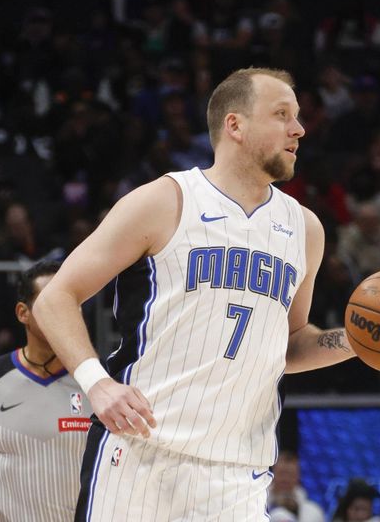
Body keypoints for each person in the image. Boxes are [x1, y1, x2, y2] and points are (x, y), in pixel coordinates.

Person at [33, 67, 357, 520]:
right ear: (235, 125)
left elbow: (289, 344)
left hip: (238, 471)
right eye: (282, 114)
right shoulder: (164, 200)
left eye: (298, 117)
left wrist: (356, 341)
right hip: (142, 453)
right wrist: (98, 384)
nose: (298, 129)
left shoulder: (304, 228)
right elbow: (55, 297)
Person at [0, 261, 91, 522]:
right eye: (51, 302)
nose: (65, 312)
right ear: (23, 313)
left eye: (72, 303)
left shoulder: (103, 382)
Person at [267, 451, 325, 522]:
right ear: (272, 474)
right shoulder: (257, 505)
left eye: (290, 475)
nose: (285, 479)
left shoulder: (314, 513)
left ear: (298, 477)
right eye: (282, 473)